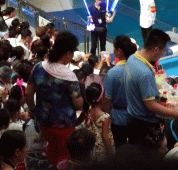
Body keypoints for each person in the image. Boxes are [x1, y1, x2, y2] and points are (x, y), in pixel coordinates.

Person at [25, 31, 84, 167]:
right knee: (63, 158)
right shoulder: (69, 76)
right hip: (64, 126)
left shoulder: (38, 67)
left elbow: (28, 93)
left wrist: (34, 110)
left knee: (50, 152)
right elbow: (78, 104)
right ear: (68, 53)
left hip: (43, 122)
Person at [124, 29, 178, 145]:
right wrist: (176, 114)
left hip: (131, 116)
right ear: (156, 50)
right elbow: (151, 105)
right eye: (164, 50)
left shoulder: (132, 59)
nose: (164, 53)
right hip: (144, 125)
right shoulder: (145, 72)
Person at [103, 35, 137, 149]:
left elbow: (106, 100)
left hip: (118, 118)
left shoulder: (112, 73)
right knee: (136, 147)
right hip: (136, 116)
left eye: (114, 47)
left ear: (119, 50)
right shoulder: (139, 69)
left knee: (120, 147)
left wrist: (108, 119)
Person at [85, 82, 114, 161]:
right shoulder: (105, 117)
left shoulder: (87, 113)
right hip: (102, 150)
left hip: (90, 148)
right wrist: (110, 153)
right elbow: (105, 137)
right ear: (102, 98)